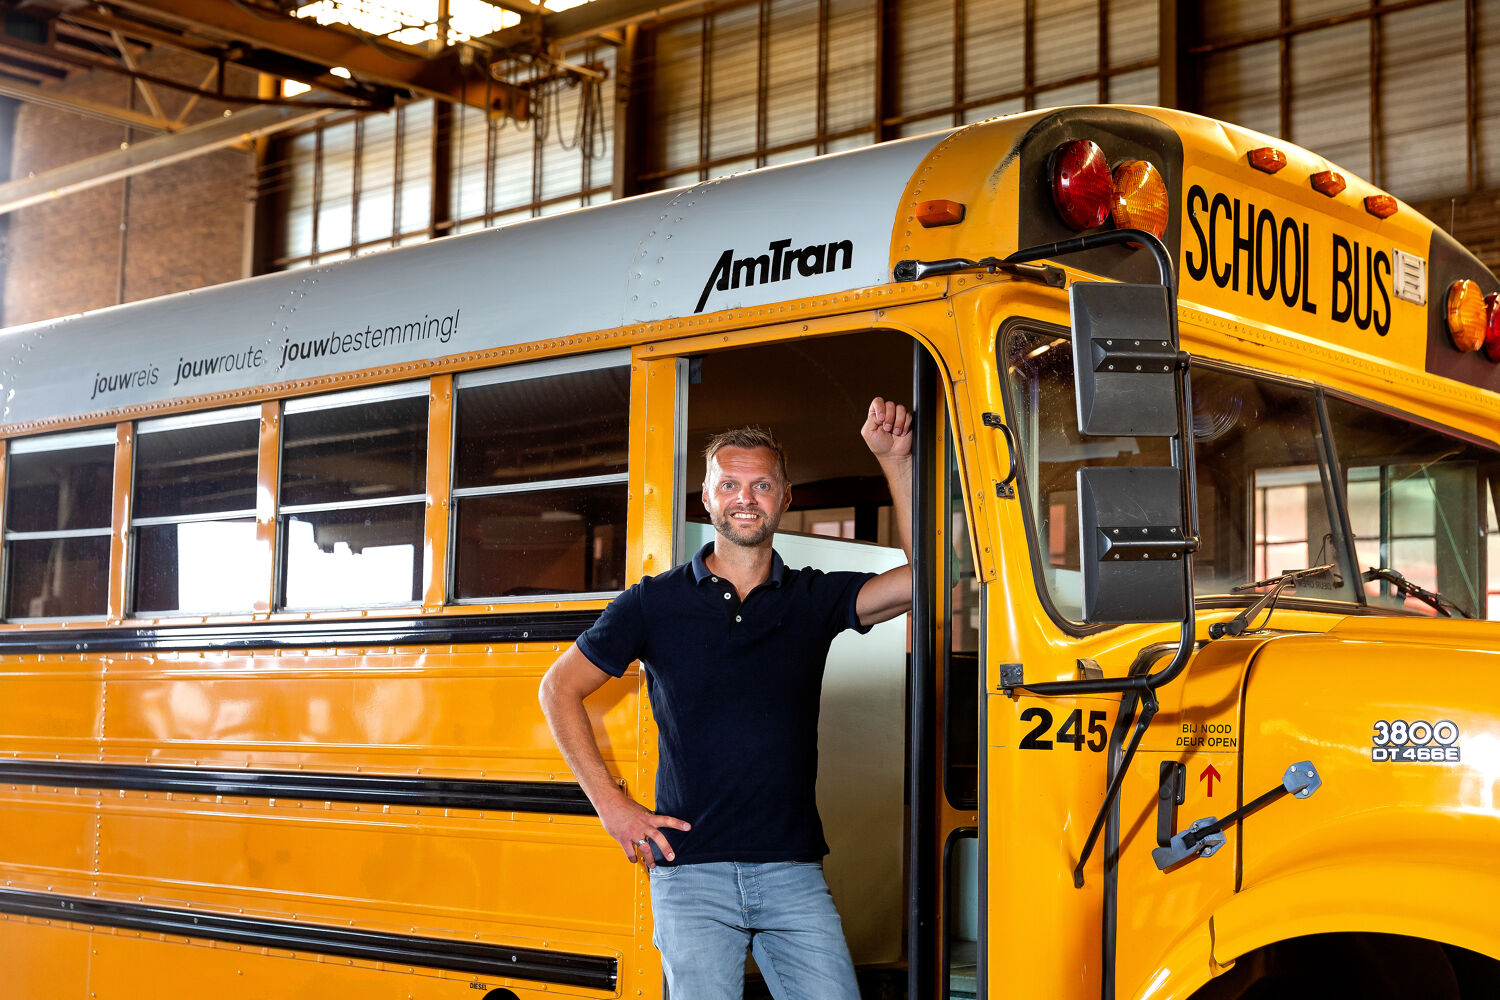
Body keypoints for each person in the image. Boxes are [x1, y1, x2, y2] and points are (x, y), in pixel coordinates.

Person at [538, 397, 914, 1000]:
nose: (746, 497)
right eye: (730, 484)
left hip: (793, 870)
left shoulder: (812, 599)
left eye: (762, 484)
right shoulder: (652, 603)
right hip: (691, 873)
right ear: (707, 499)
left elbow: (931, 577)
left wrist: (895, 460)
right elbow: (558, 687)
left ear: (785, 498)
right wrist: (611, 805)